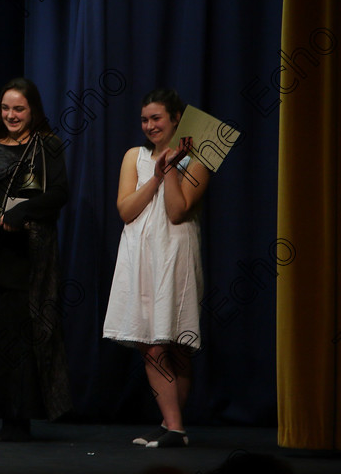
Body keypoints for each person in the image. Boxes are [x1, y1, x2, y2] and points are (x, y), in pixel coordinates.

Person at [0, 77, 71, 442]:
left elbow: (58, 194)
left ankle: (19, 417)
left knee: (24, 336)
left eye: (18, 109)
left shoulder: (47, 147)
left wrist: (20, 214)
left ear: (33, 110)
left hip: (30, 255)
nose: (11, 115)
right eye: (6, 108)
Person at [102, 88, 211, 448]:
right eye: (145, 119)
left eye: (157, 118)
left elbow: (177, 211)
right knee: (149, 341)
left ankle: (173, 426)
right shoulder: (134, 156)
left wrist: (173, 171)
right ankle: (172, 425)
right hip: (138, 252)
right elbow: (126, 209)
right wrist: (157, 173)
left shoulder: (198, 157)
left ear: (176, 119)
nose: (149, 125)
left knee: (174, 342)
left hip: (174, 251)